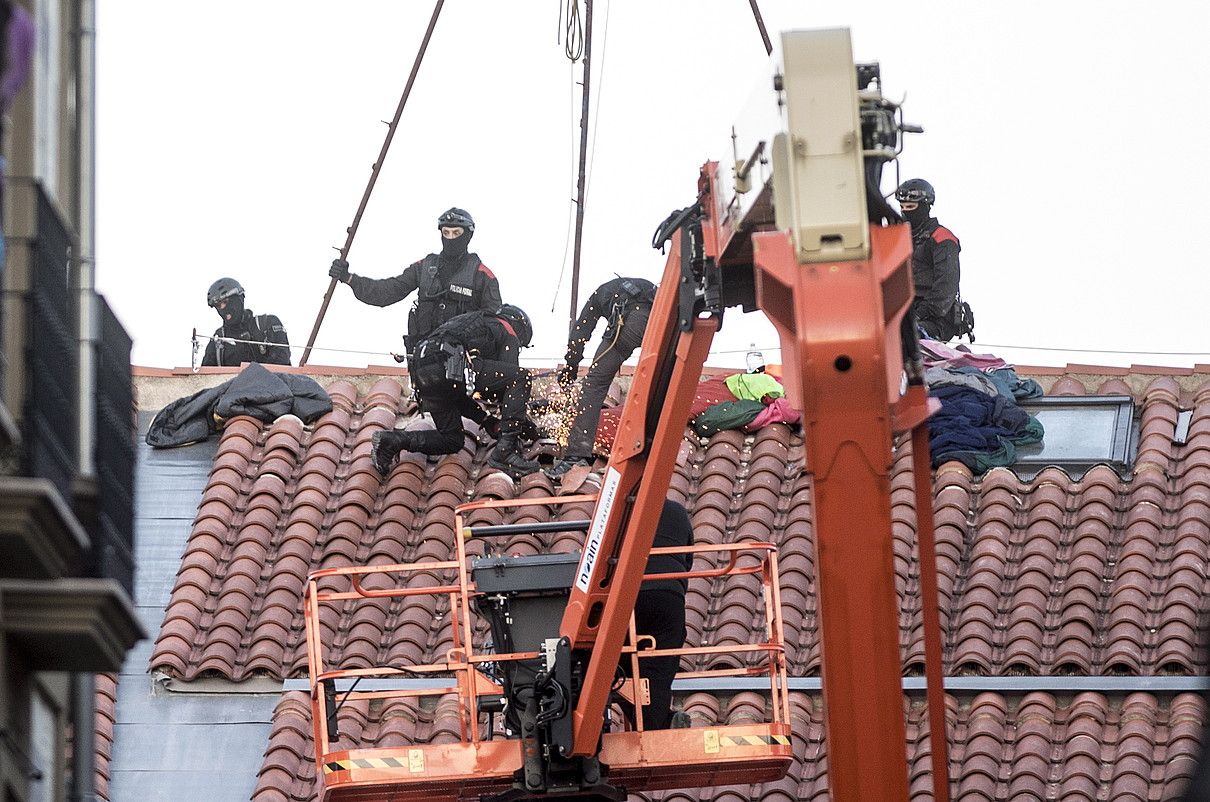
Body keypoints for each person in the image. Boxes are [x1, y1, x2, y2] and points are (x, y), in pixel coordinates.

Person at [370, 304, 540, 478]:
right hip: (449, 363)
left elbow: (456, 393)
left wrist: (485, 420)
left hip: (425, 370)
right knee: (522, 377)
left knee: (452, 440)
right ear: (519, 328)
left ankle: (390, 441)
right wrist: (529, 430)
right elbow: (508, 387)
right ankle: (505, 452)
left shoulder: (472, 323)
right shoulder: (506, 328)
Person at [327, 207, 503, 353]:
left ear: (468, 235)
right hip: (424, 357)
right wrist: (349, 278)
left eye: (456, 233)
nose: (450, 238)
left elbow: (495, 325)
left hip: (464, 360)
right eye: (446, 232)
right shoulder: (424, 268)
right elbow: (386, 292)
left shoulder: (482, 275)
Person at [547, 277, 657, 479]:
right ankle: (653, 444)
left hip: (633, 321)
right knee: (656, 381)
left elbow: (579, 335)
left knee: (594, 385)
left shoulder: (597, 297)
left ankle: (575, 456)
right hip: (661, 320)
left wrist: (570, 368)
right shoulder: (635, 286)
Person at [617, 498, 692, 730]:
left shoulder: (620, 509)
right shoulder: (678, 511)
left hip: (631, 595)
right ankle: (657, 721)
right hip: (671, 595)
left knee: (613, 663)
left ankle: (651, 723)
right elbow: (688, 560)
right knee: (661, 664)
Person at [895, 178, 973, 342]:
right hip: (904, 314)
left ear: (925, 205)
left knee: (901, 339)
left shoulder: (942, 238)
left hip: (936, 319)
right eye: (902, 206)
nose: (905, 211)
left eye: (910, 207)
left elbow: (946, 285)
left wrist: (918, 315)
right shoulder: (899, 237)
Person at [201, 278, 292, 367]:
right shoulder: (219, 340)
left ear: (239, 299)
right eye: (218, 306)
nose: (223, 308)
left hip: (272, 381)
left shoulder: (267, 324)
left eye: (225, 302)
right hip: (232, 382)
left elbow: (282, 358)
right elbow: (205, 377)